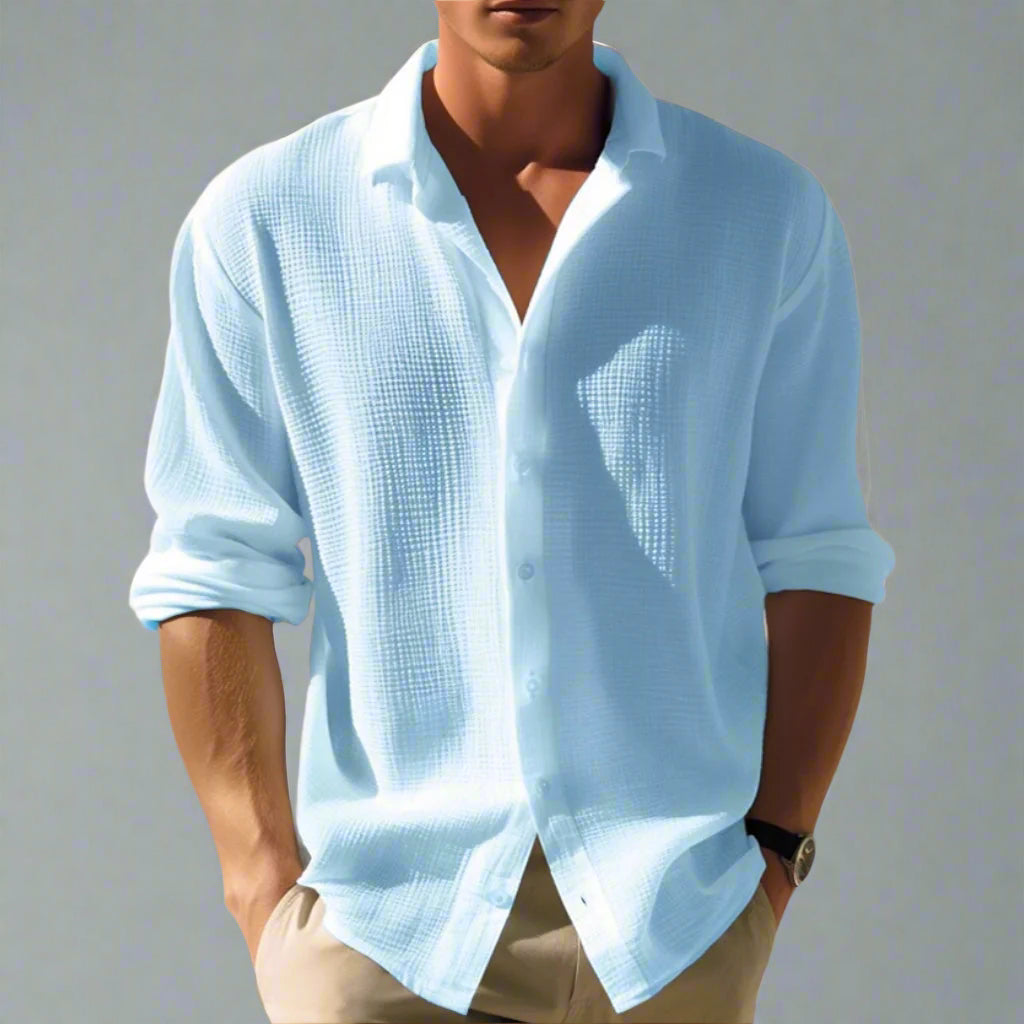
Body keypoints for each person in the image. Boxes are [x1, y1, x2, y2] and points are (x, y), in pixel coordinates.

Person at [129, 2, 895, 1021]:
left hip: (671, 933)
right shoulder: (267, 219)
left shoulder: (762, 215)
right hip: (384, 936)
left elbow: (819, 554)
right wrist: (260, 887)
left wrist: (772, 859)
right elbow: (212, 565)